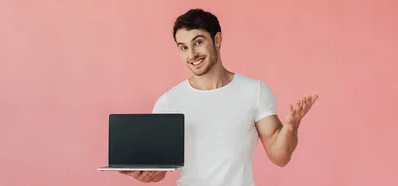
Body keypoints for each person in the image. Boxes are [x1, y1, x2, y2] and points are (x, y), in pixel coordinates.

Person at [118, 8, 319, 186]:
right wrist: (145, 174)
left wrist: (292, 127)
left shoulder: (254, 91)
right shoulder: (169, 102)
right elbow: (160, 168)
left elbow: (280, 157)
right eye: (183, 47)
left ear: (217, 40)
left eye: (198, 42)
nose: (192, 54)